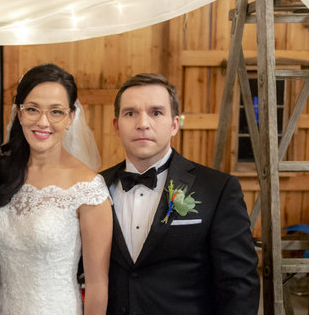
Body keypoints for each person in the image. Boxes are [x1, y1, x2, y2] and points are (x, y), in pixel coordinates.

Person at [101, 73, 260, 315]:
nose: (142, 123)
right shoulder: (94, 187)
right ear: (116, 125)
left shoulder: (217, 189)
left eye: (156, 112)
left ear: (174, 125)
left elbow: (238, 284)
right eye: (130, 113)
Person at [0, 63, 112, 315]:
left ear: (70, 117)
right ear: (20, 113)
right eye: (33, 109)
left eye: (56, 112)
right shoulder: (2, 174)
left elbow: (97, 285)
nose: (43, 122)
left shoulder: (88, 189)